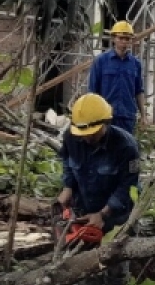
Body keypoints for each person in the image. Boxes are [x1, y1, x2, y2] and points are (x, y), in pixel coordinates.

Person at [57, 93, 141, 234]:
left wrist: (103, 214)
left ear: (106, 122)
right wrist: (68, 187)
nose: (87, 137)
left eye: (93, 133)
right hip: (83, 209)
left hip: (118, 216)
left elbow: (128, 186)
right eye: (83, 134)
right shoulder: (70, 138)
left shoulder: (126, 146)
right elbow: (67, 161)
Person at [88, 20, 144, 135]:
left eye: (127, 39)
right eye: (120, 38)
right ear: (114, 38)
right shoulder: (101, 61)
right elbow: (92, 90)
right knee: (105, 148)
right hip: (105, 116)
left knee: (125, 148)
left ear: (131, 41)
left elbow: (139, 91)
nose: (124, 41)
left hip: (127, 116)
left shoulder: (135, 64)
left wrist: (143, 115)